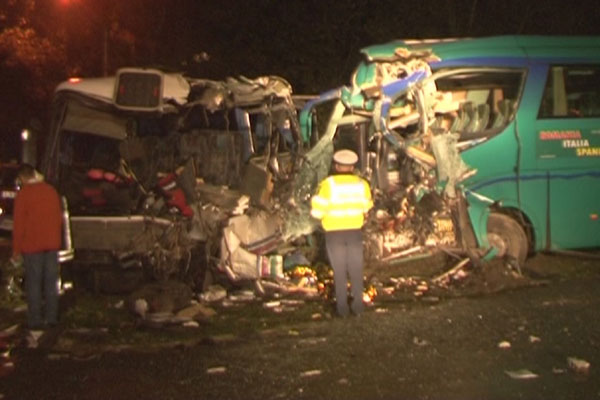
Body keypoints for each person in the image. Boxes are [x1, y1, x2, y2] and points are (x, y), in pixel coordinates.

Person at [310, 149, 373, 317]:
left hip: (334, 233)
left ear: (336, 166)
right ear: (352, 167)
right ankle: (358, 306)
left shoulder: (328, 185)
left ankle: (342, 308)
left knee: (339, 270)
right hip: (354, 231)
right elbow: (367, 208)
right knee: (356, 269)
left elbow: (317, 213)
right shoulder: (362, 184)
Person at [11, 164, 63, 331]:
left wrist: (16, 250)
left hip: (32, 245)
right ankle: (51, 318)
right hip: (52, 244)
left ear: (23, 177)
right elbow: (59, 218)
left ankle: (35, 320)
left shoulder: (24, 195)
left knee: (34, 284)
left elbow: (19, 225)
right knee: (51, 283)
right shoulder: (51, 191)